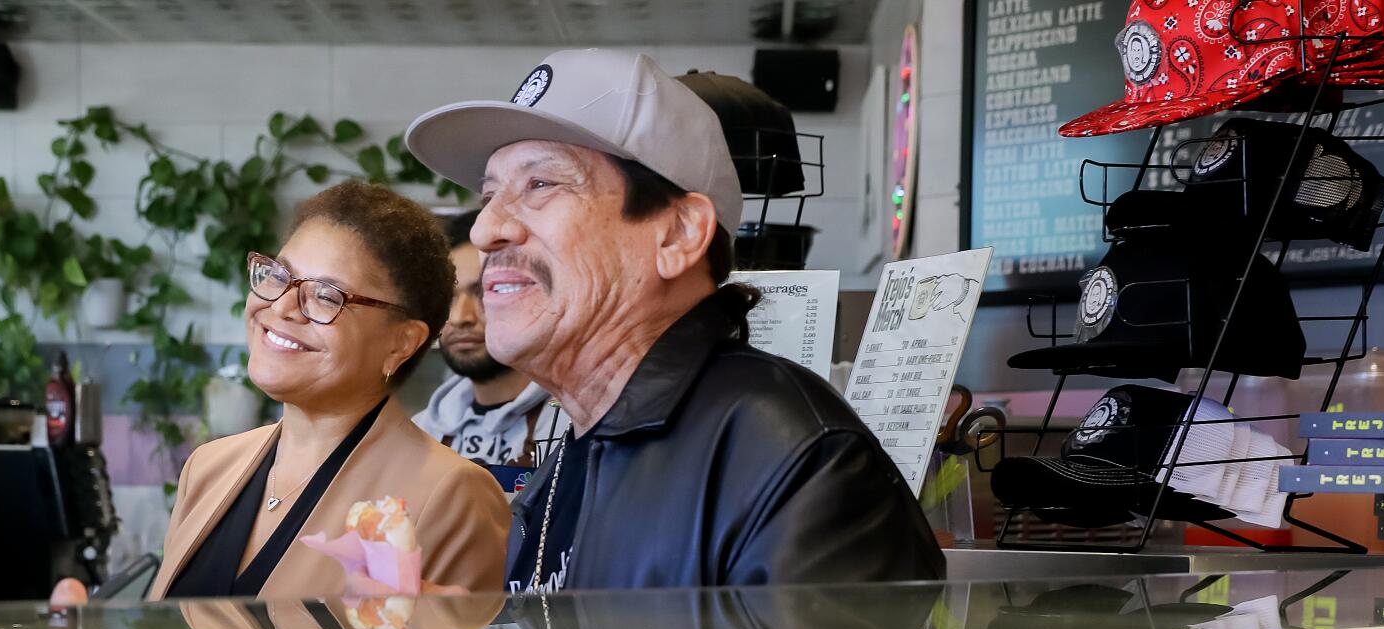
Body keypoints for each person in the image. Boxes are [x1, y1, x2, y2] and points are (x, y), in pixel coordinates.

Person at [406, 49, 947, 591]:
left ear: (678, 235)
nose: (484, 230)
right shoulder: (576, 451)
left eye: (540, 184)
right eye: (489, 195)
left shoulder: (797, 463)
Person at [148, 182, 510, 601]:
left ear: (402, 343)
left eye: (325, 296)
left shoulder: (451, 495)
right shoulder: (209, 468)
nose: (281, 306)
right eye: (279, 275)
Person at [415, 209, 565, 470]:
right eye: (448, 297)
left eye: (485, 291)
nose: (461, 317)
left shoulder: (574, 429)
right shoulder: (418, 435)